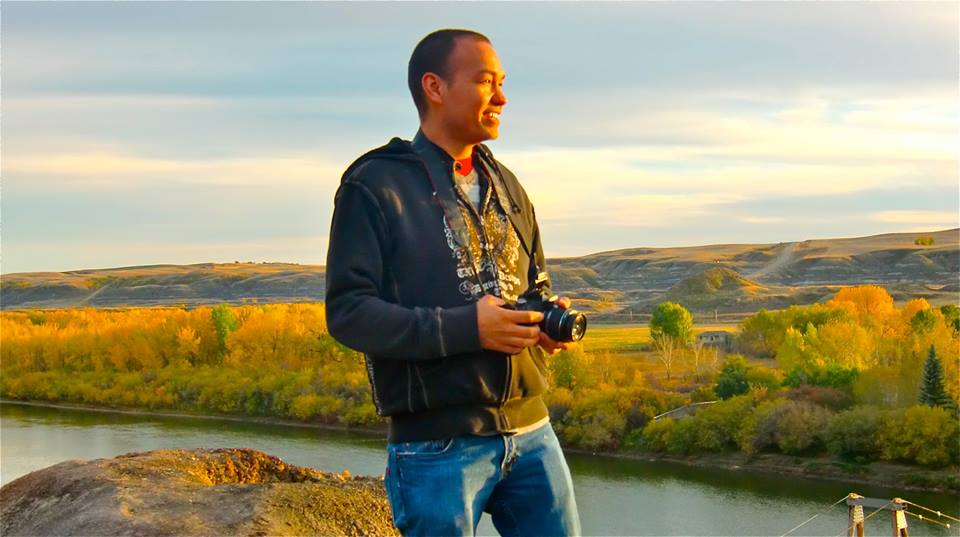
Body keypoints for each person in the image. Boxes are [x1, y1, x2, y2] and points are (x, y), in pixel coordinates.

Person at [324, 28, 581, 537]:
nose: (502, 97)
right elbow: (348, 313)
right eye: (486, 81)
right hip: (436, 445)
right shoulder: (374, 184)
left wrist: (542, 318)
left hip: (532, 430)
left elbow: (533, 283)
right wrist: (469, 328)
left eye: (502, 83)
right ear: (435, 88)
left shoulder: (507, 184)